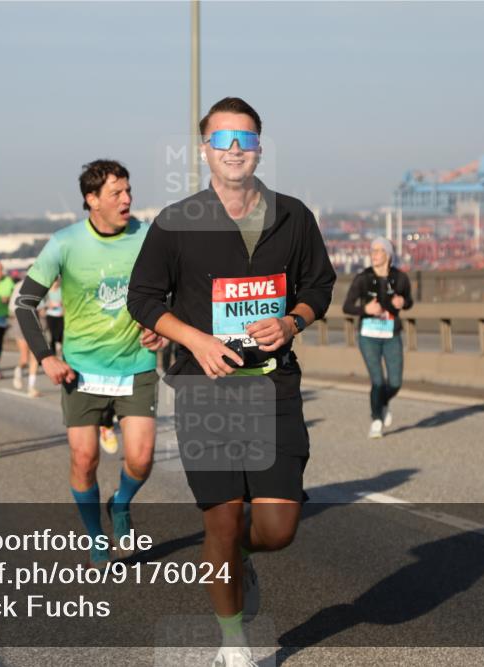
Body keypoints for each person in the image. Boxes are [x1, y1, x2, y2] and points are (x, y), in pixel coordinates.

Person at [127, 98, 335, 667]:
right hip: (204, 391)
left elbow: (319, 287)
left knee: (277, 528)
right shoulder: (176, 221)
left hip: (273, 389)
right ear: (205, 151)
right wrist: (193, 339)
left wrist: (292, 322)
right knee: (220, 520)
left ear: (260, 148)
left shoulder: (294, 216)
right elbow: (143, 298)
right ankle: (234, 644)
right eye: (223, 140)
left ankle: (240, 557)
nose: (235, 149)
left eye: (245, 138)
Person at [16, 159, 166, 567]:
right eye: (116, 193)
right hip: (82, 371)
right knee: (84, 459)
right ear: (92, 199)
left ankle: (121, 503)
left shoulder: (149, 238)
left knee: (141, 458)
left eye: (128, 190)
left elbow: (174, 292)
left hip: (136, 365)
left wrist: (163, 328)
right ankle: (95, 534)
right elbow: (25, 303)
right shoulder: (64, 243)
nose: (127, 199)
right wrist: (46, 357)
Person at [342, 237, 414, 438]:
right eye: (372, 250)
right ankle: (376, 419)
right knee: (378, 381)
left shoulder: (400, 278)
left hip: (391, 335)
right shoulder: (362, 278)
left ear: (388, 255)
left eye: (379, 250)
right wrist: (365, 309)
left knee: (395, 382)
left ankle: (382, 404)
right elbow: (347, 306)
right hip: (368, 336)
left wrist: (403, 302)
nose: (373, 254)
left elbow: (409, 301)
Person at [8, 274, 40, 397]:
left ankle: (31, 387)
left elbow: (44, 304)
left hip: (36, 323)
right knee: (24, 358)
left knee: (35, 355)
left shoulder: (43, 285)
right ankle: (18, 370)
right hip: (21, 322)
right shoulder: (19, 286)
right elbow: (12, 307)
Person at [44, 279, 64, 355]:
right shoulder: (46, 292)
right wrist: (48, 305)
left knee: (60, 333)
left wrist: (62, 305)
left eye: (57, 281)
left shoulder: (61, 290)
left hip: (60, 314)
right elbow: (43, 303)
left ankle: (60, 348)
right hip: (50, 315)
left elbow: (65, 301)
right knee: (52, 334)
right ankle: (53, 353)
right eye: (54, 281)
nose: (55, 283)